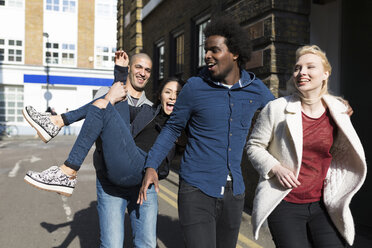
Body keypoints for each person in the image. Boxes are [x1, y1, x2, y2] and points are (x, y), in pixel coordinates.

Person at [137, 15, 275, 248]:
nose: (207, 56)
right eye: (206, 50)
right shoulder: (194, 87)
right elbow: (172, 129)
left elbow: (283, 115)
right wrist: (151, 165)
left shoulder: (256, 89)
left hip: (235, 193)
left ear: (234, 53)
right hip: (196, 189)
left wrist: (330, 105)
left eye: (214, 50)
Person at [23, 51, 184, 248]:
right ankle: (58, 129)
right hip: (113, 177)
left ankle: (59, 132)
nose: (143, 72)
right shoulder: (145, 109)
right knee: (103, 101)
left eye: (148, 70)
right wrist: (117, 81)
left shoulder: (163, 116)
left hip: (142, 177)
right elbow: (121, 129)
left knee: (147, 243)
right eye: (168, 92)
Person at [246, 45, 367, 247]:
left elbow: (341, 151)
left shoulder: (338, 110)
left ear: (325, 74)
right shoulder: (276, 108)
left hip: (322, 204)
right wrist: (275, 168)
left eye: (310, 67)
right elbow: (253, 146)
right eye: (297, 68)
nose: (302, 72)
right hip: (285, 203)